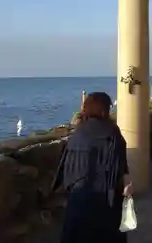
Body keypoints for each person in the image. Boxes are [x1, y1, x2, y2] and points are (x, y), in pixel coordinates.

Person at [52, 92, 133, 243]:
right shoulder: (112, 133)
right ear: (104, 110)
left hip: (78, 198)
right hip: (105, 200)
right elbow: (119, 166)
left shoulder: (77, 134)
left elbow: (66, 168)